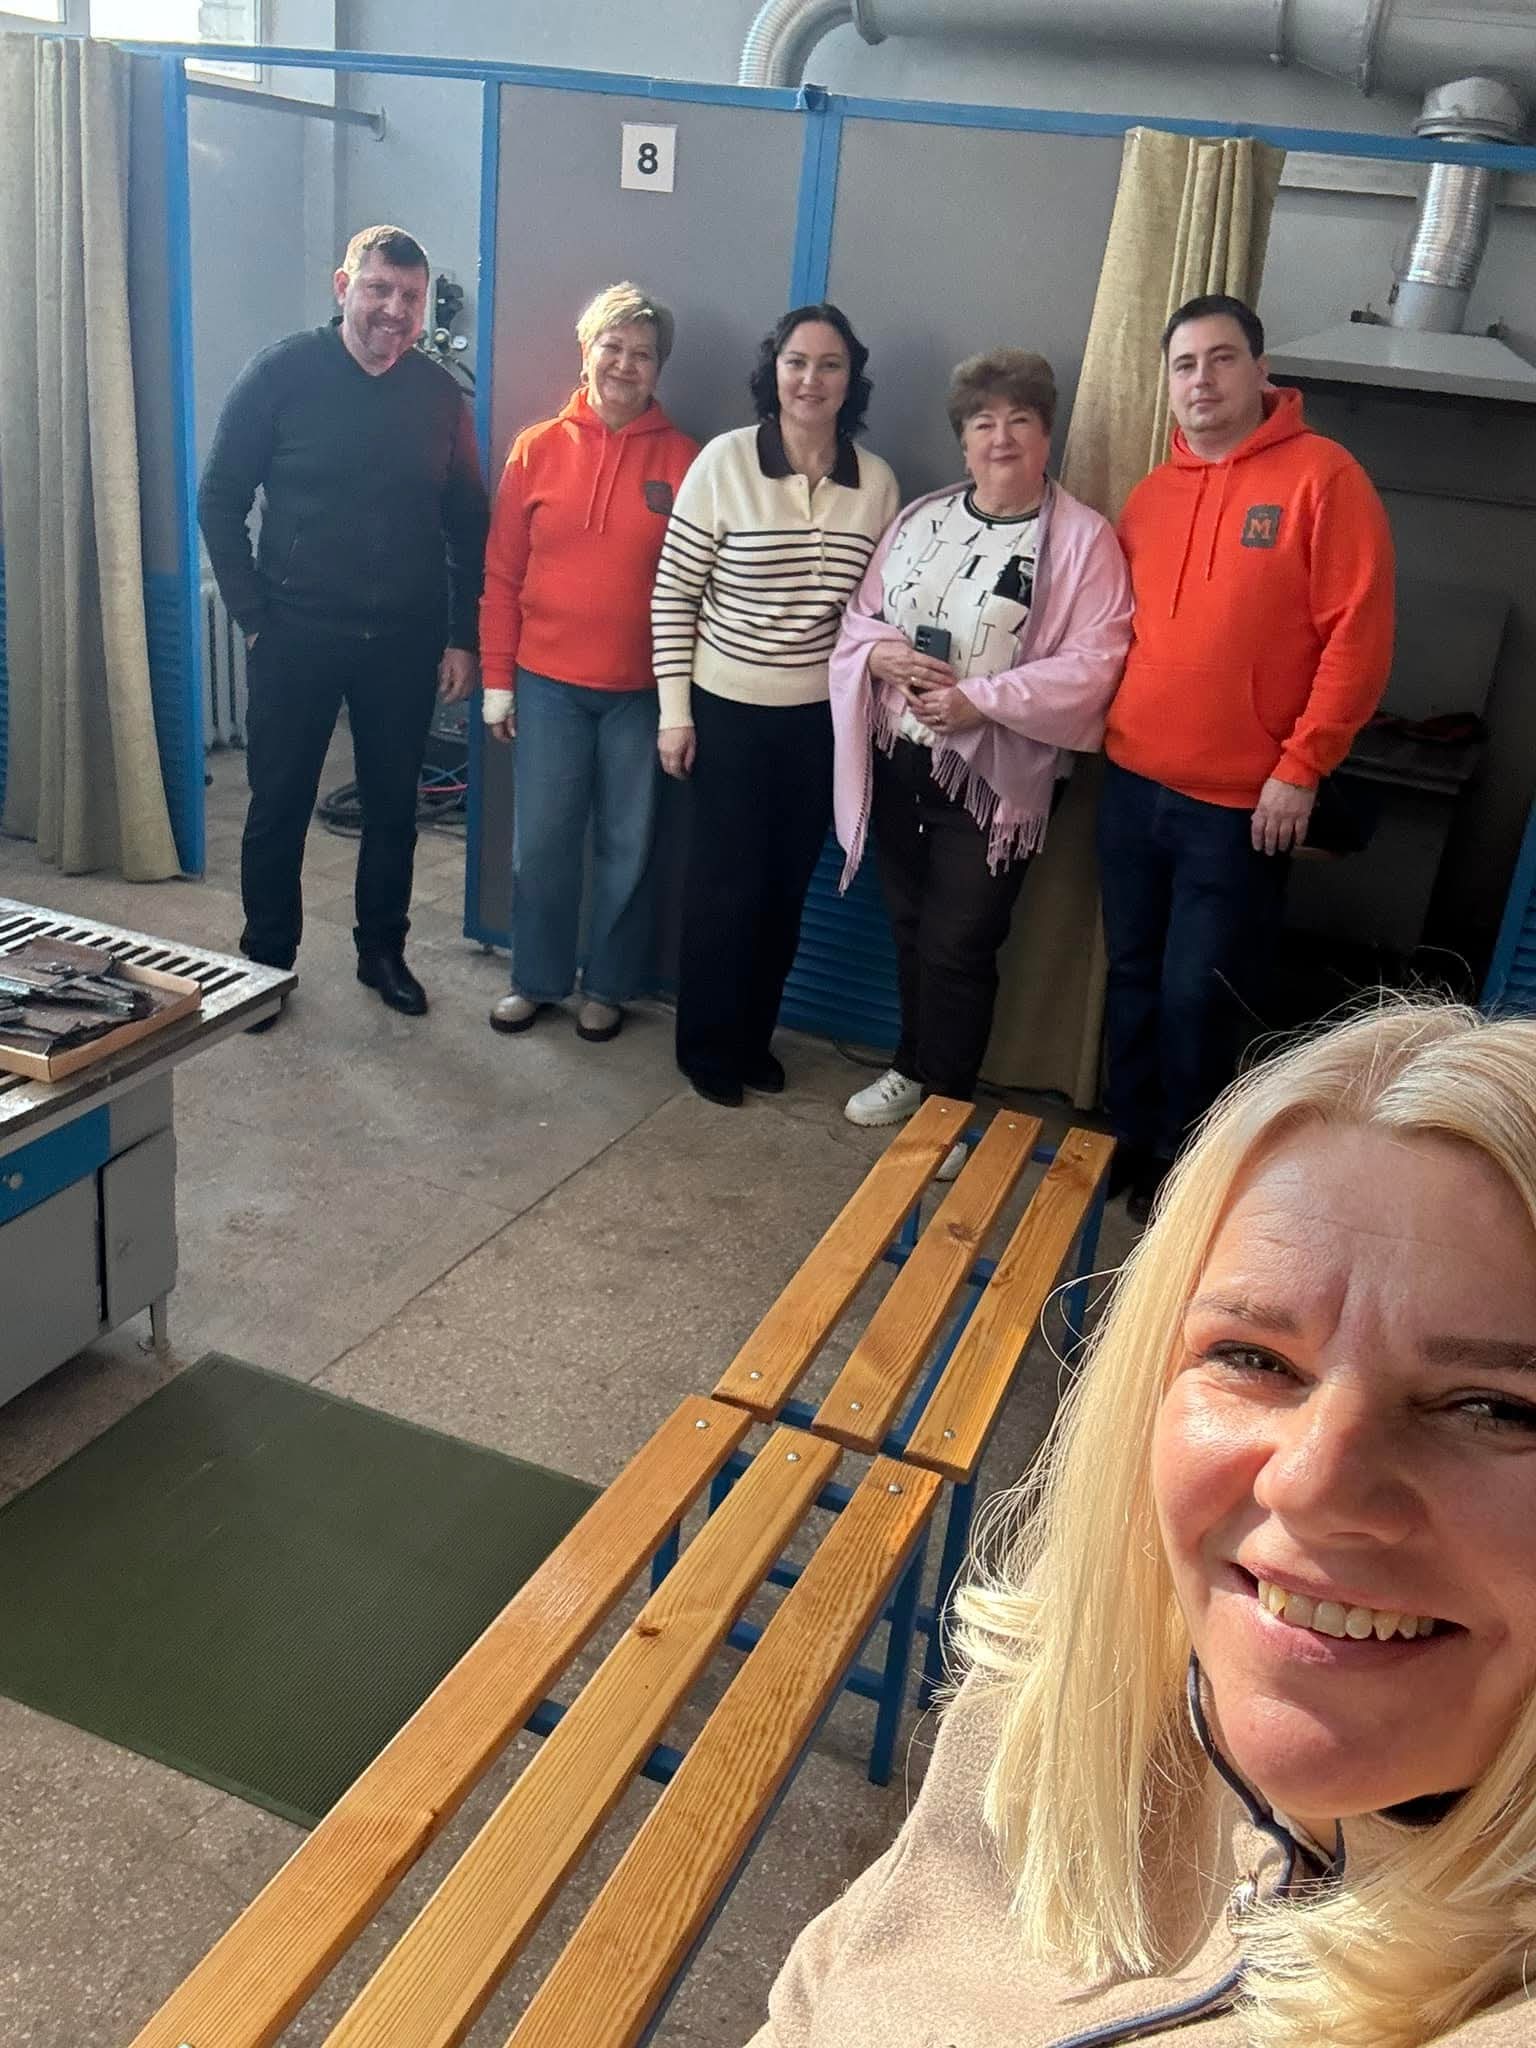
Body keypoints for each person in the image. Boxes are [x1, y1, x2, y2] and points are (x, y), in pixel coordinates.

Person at [751, 998, 1536, 2047]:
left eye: (1494, 1408)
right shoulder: (1083, 1658)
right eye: (1253, 1357)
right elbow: (844, 1962)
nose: (1311, 1484)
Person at [1099, 292, 1395, 1221]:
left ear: (1260, 372)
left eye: (1221, 359)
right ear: (1168, 383)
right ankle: (1129, 1140)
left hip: (1239, 807)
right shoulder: (1151, 496)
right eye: (1185, 365)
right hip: (1129, 783)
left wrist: (1302, 766)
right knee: (1132, 979)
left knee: (1202, 997)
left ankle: (1186, 1170)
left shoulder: (1324, 479)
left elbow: (1357, 639)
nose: (1202, 380)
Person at [829, 349, 1132, 1177]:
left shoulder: (1082, 540)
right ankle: (911, 1067)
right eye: (983, 422)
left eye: (1020, 420)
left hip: (994, 784)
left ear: (1047, 435)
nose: (1001, 437)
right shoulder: (922, 517)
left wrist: (982, 702)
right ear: (963, 441)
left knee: (960, 944)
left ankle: (949, 1106)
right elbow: (860, 617)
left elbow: (1097, 662)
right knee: (908, 929)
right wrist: (883, 656)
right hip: (901, 761)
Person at [199, 224, 488, 1021]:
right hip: (294, 635)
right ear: (343, 287)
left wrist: (462, 635)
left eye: (410, 296)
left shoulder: (439, 397)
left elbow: (468, 522)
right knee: (279, 803)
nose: (395, 310)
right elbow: (219, 498)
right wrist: (252, 615)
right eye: (379, 289)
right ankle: (265, 961)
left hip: (403, 640)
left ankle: (382, 953)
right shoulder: (281, 375)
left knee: (393, 808)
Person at [651, 303, 899, 1106]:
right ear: (774, 371)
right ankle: (706, 1048)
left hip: (817, 722)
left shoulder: (877, 483)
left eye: (830, 365)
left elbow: (871, 615)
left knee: (785, 889)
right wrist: (675, 713)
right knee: (723, 889)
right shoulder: (724, 462)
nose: (811, 379)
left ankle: (753, 1038)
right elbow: (674, 594)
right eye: (797, 362)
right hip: (725, 710)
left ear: (850, 380)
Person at [479, 283, 698, 1044]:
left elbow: (698, 588)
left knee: (627, 849)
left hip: (643, 694)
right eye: (613, 347)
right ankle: (535, 980)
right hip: (546, 688)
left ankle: (608, 985)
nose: (625, 365)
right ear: (586, 352)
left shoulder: (686, 460)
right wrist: (498, 681)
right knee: (542, 844)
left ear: (659, 368)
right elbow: (502, 573)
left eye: (644, 354)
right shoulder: (536, 448)